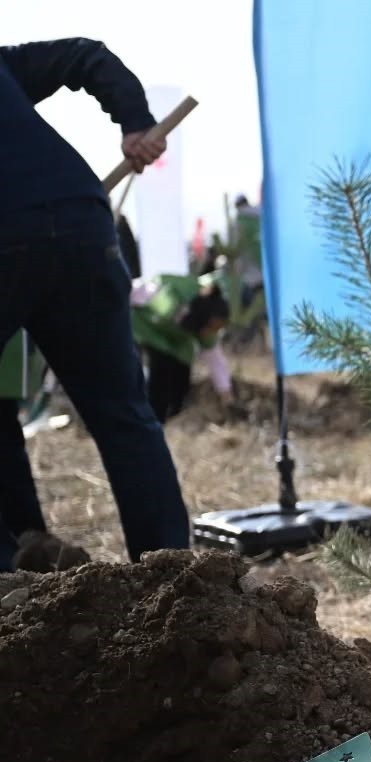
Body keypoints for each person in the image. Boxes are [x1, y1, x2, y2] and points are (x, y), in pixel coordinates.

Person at [0, 38, 191, 570]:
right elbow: (85, 55)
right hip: (81, 224)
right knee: (123, 414)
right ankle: (174, 576)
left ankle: (8, 570)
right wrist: (135, 123)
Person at [131, 273, 232, 422]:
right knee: (160, 372)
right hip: (146, 328)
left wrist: (225, 391)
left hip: (174, 341)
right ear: (204, 315)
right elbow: (136, 292)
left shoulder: (205, 330)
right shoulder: (172, 297)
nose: (212, 332)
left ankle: (172, 416)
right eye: (213, 326)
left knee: (181, 375)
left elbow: (215, 358)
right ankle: (152, 418)